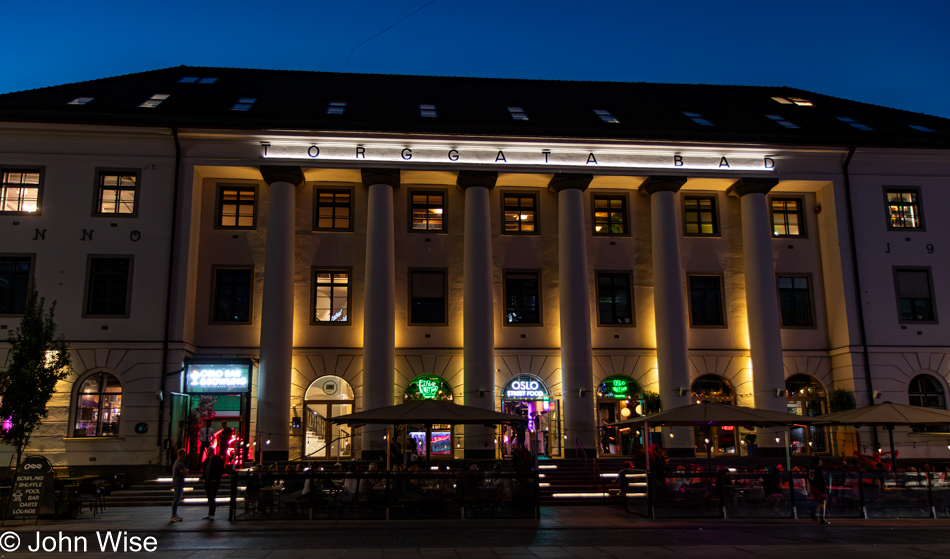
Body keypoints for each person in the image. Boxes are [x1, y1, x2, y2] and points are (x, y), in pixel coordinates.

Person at [200, 452, 225, 520]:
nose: (208, 452)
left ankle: (211, 513)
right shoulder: (207, 460)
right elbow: (204, 469)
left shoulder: (216, 460)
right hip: (208, 481)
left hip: (213, 482)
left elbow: (220, 470)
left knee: (211, 497)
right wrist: (204, 478)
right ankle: (210, 513)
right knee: (210, 497)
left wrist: (216, 479)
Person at [808, 457, 829, 524]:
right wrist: (823, 489)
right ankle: (820, 515)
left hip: (812, 486)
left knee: (820, 501)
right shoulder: (818, 469)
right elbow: (821, 480)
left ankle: (819, 515)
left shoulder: (810, 469)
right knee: (823, 501)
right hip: (818, 487)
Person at [170, 449, 189, 522]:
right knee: (176, 499)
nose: (185, 456)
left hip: (177, 482)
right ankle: (174, 515)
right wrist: (186, 471)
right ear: (180, 455)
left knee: (177, 499)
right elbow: (184, 473)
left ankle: (174, 515)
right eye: (184, 454)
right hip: (178, 483)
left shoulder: (178, 463)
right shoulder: (179, 464)